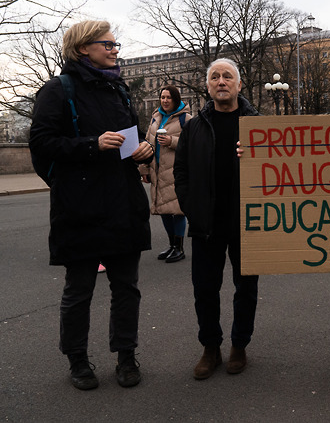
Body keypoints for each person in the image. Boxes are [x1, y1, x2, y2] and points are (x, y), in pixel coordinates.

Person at [29, 20, 153, 390]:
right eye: (108, 45)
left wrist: (142, 153)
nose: (116, 50)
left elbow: (128, 142)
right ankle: (78, 361)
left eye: (116, 45)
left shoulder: (119, 90)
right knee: (79, 290)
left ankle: (126, 356)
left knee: (126, 287)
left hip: (123, 203)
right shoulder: (57, 89)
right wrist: (91, 144)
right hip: (79, 206)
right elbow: (42, 143)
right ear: (84, 48)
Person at [173, 58, 260, 380]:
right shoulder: (195, 126)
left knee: (246, 288)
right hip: (206, 222)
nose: (221, 81)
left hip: (247, 223)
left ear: (239, 85)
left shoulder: (257, 123)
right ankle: (210, 347)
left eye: (227, 77)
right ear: (208, 86)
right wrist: (189, 204)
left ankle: (240, 345)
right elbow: (180, 170)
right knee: (205, 289)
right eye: (214, 77)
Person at [139, 85, 191, 263]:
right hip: (158, 170)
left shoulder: (186, 119)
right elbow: (147, 144)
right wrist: (144, 169)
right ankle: (171, 245)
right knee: (163, 210)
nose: (165, 100)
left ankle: (179, 247)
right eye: (162, 97)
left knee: (177, 211)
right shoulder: (156, 118)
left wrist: (172, 141)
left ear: (175, 99)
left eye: (169, 97)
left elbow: (193, 144)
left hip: (177, 172)